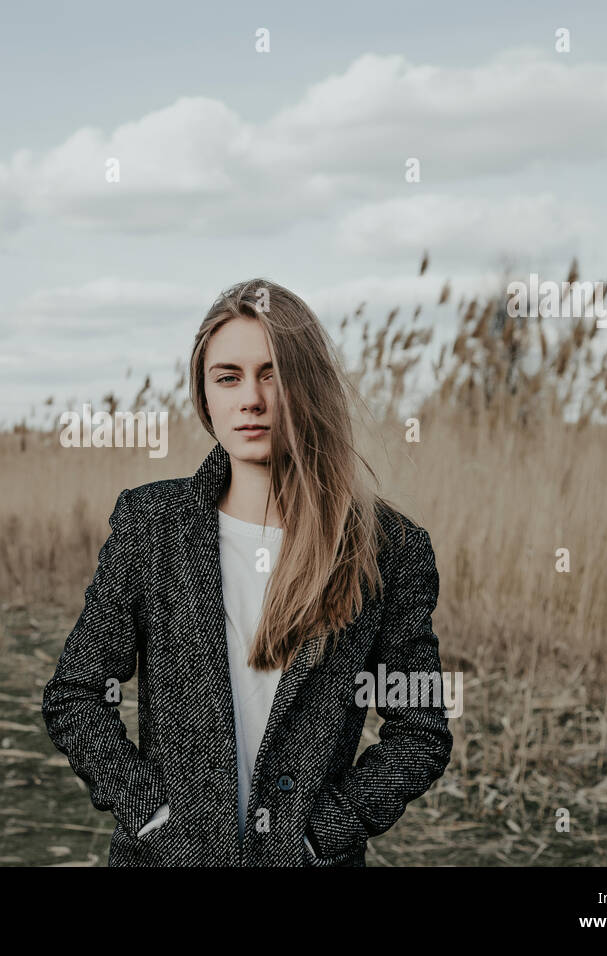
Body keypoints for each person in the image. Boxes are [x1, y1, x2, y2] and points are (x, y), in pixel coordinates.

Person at [41, 279, 453, 866]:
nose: (251, 399)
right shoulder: (152, 526)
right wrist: (154, 818)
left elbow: (421, 732)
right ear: (205, 395)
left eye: (273, 374)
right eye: (227, 376)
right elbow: (76, 696)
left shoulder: (386, 548)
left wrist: (319, 837)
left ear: (308, 387)